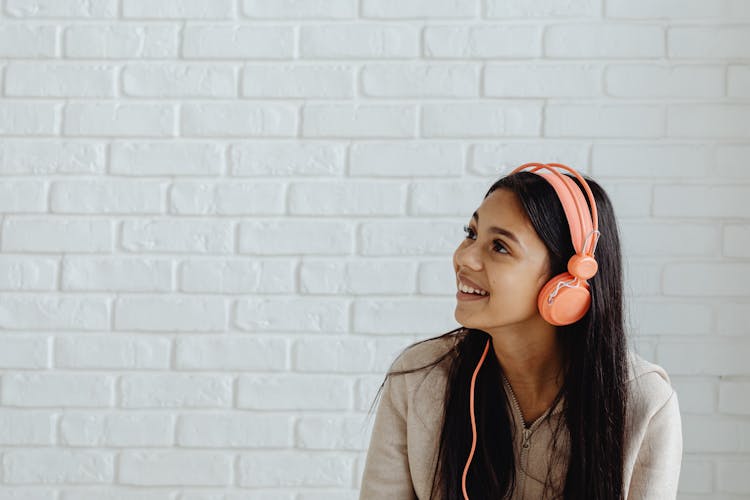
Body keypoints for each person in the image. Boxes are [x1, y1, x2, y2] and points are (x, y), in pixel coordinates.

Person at [358, 164, 682, 499]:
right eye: (471, 234)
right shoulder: (418, 379)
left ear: (566, 282)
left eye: (499, 246)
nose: (464, 258)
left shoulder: (644, 404)